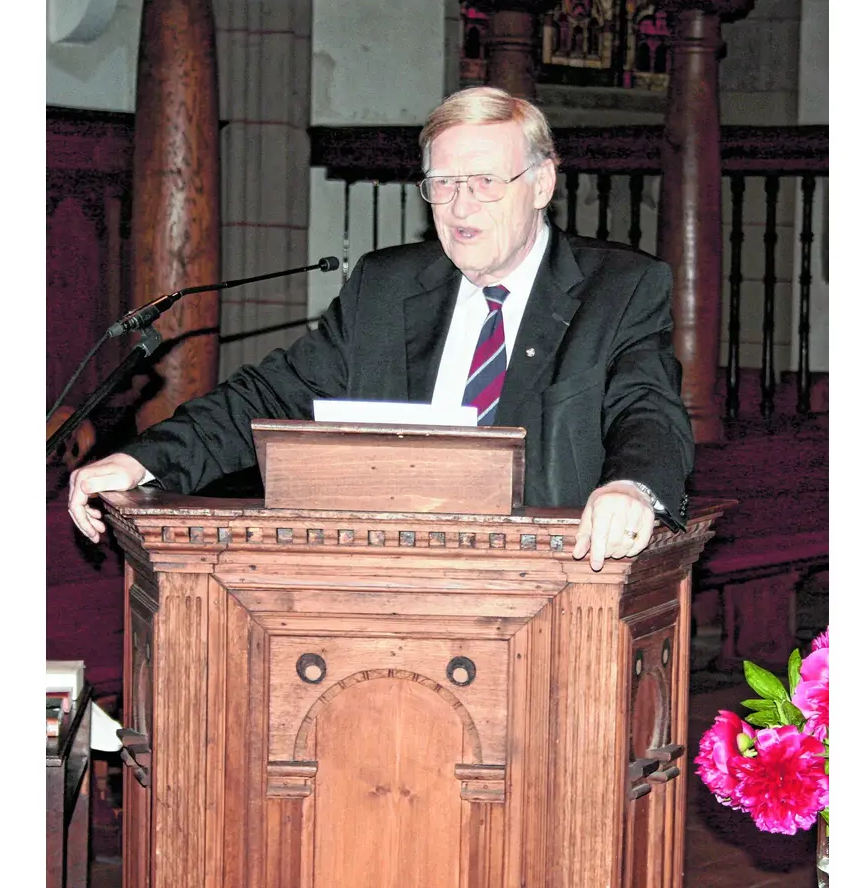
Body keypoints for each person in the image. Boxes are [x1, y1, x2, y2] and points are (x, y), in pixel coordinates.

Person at [69, 86, 693, 570]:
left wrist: (630, 487)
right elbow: (270, 397)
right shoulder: (386, 288)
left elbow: (648, 411)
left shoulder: (619, 289)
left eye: (483, 182)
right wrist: (137, 461)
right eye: (443, 184)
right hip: (385, 576)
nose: (460, 205)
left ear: (542, 185)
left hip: (547, 583)